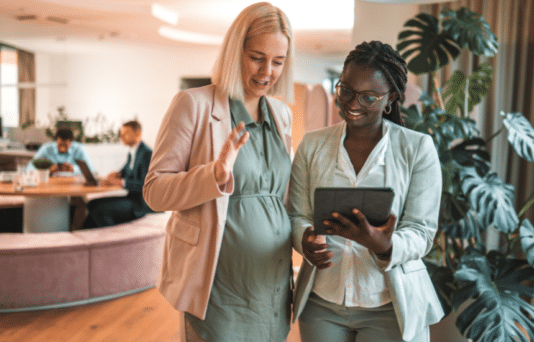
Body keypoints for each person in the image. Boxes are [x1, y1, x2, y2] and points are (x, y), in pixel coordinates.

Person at [142, 2, 294, 342]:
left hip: (270, 282)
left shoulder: (281, 114)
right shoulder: (193, 105)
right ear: (234, 51)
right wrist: (214, 174)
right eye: (257, 57)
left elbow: (283, 198)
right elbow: (154, 190)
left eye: (278, 61)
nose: (267, 71)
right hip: (218, 284)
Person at [289, 41, 444, 342]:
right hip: (322, 301)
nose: (352, 103)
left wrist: (385, 245)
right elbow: (296, 215)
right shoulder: (312, 144)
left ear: (391, 99)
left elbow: (423, 231)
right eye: (345, 90)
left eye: (368, 97)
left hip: (388, 303)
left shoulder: (417, 149)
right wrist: (305, 240)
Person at [82, 120, 154, 228]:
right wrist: (116, 175)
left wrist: (120, 182)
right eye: (121, 133)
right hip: (131, 199)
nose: (121, 136)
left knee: (98, 209)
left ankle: (112, 239)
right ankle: (87, 238)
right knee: (91, 204)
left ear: (138, 133)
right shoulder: (133, 152)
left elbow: (145, 185)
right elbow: (123, 172)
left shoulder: (146, 153)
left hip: (139, 204)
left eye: (125, 133)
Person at [26, 127, 94, 176]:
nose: (62, 148)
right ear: (56, 141)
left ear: (71, 142)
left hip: (72, 183)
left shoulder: (78, 149)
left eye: (65, 145)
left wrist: (73, 169)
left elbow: (90, 170)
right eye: (60, 144)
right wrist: (47, 171)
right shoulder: (47, 148)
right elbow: (30, 166)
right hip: (50, 183)